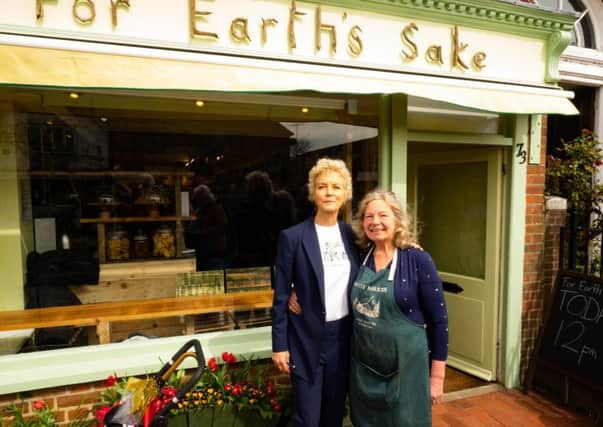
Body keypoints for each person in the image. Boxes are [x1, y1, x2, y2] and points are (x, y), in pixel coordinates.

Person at [271, 158, 360, 427]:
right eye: (322, 186)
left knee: (333, 414)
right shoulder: (293, 237)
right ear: (313, 193)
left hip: (343, 338)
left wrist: (408, 245)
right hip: (306, 338)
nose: (329, 192)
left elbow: (385, 250)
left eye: (336, 186)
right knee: (307, 418)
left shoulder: (353, 236)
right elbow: (281, 297)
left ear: (345, 194)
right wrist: (280, 346)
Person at [349, 190, 448, 426]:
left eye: (383, 215)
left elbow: (439, 322)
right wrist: (294, 289)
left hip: (407, 371)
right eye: (368, 216)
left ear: (397, 220)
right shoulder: (358, 256)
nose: (375, 222)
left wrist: (437, 377)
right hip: (364, 369)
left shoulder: (417, 260)